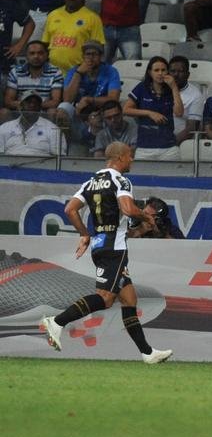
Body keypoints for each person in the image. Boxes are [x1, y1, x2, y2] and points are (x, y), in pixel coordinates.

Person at [38, 143, 172, 363]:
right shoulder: (121, 180)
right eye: (130, 156)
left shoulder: (90, 183)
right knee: (105, 298)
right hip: (114, 248)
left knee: (129, 299)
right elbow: (128, 209)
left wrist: (84, 234)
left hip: (101, 243)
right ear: (119, 157)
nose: (132, 160)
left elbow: (70, 209)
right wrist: (145, 216)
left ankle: (148, 353)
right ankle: (57, 322)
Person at [124, 55, 183, 160]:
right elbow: (126, 109)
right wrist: (149, 113)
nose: (160, 73)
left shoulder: (172, 89)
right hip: (145, 147)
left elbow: (179, 113)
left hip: (168, 147)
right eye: (156, 70)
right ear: (150, 72)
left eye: (163, 70)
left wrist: (174, 87)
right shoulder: (142, 87)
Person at [60, 41, 119, 143]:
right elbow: (67, 99)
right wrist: (78, 74)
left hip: (101, 110)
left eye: (94, 54)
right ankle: (65, 144)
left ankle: (96, 145)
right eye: (88, 54)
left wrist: (89, 100)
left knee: (96, 118)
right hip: (78, 110)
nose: (90, 58)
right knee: (63, 109)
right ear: (83, 56)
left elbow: (114, 98)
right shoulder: (74, 71)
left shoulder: (110, 71)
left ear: (101, 56)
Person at [42, 0, 103, 73]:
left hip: (79, 73)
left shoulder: (93, 18)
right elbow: (45, 44)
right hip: (53, 73)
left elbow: (98, 48)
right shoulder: (53, 15)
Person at [4, 41, 63, 124]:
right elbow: (8, 101)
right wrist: (26, 107)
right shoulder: (16, 72)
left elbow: (55, 101)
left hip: (43, 112)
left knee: (53, 112)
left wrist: (33, 106)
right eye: (32, 53)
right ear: (26, 56)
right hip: (21, 111)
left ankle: (51, 137)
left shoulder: (55, 72)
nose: (36, 56)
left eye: (40, 53)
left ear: (47, 55)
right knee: (4, 112)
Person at [0, 91, 63, 155]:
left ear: (40, 108)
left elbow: (59, 158)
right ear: (20, 106)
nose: (32, 105)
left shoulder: (53, 129)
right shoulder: (4, 127)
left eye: (36, 103)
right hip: (8, 164)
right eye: (28, 102)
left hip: (41, 164)